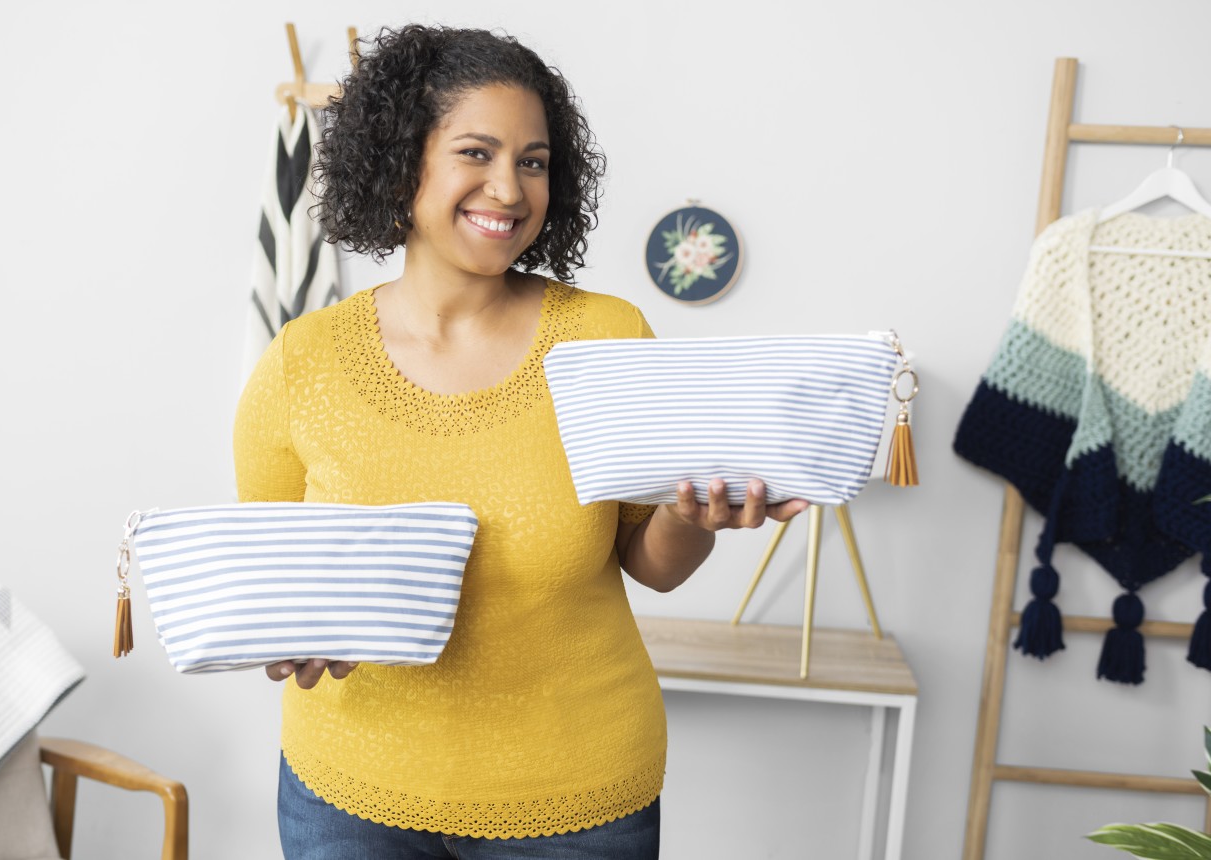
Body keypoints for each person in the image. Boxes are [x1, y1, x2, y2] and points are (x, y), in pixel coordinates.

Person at [234, 24, 808, 859]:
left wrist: (694, 517)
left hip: (576, 801)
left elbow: (650, 562)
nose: (508, 188)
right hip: (345, 792)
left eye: (533, 162)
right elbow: (275, 580)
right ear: (403, 163)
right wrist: (291, 632)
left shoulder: (608, 339)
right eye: (477, 152)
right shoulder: (303, 362)